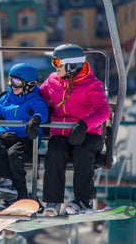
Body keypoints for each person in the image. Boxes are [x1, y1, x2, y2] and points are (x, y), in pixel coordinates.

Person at [39, 44, 110, 216]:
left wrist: (84, 125)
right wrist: (10, 95)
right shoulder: (52, 81)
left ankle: (83, 201)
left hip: (88, 135)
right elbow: (38, 96)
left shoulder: (91, 85)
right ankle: (53, 202)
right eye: (53, 61)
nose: (55, 66)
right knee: (54, 152)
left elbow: (104, 111)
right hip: (61, 134)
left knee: (83, 152)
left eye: (57, 62)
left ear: (71, 65)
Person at [0, 63, 48, 212]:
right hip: (5, 138)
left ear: (30, 84)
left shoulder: (35, 100)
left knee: (14, 156)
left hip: (25, 140)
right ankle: (4, 188)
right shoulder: (5, 99)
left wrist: (35, 121)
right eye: (11, 81)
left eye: (17, 82)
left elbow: (41, 112)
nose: (13, 85)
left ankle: (22, 195)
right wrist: (0, 133)